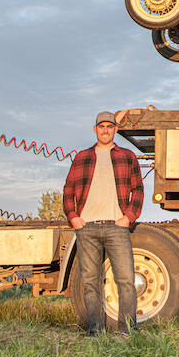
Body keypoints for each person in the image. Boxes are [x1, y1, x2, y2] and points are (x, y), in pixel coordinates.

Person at [63, 111, 144, 335]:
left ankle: (127, 330)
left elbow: (138, 189)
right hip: (86, 227)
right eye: (101, 127)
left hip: (116, 227)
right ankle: (95, 331)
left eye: (110, 126)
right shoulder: (82, 157)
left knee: (126, 280)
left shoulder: (127, 156)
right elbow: (68, 190)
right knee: (90, 281)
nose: (106, 130)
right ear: (95, 129)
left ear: (115, 130)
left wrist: (128, 217)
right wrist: (73, 217)